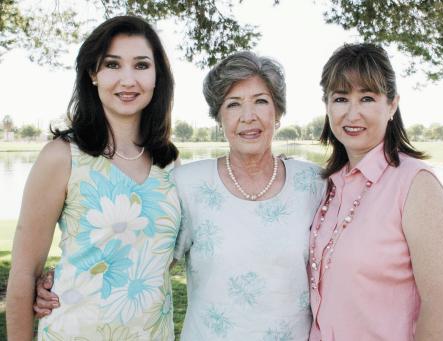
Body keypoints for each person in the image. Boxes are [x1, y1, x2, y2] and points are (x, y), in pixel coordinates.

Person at [35, 51, 327, 340]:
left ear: (277, 113)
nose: (248, 117)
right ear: (219, 117)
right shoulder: (187, 184)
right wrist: (62, 278)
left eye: (261, 101)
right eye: (233, 104)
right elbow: (140, 253)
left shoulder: (313, 182)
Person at [6, 16, 180, 340]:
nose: (128, 79)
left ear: (158, 76)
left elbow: (158, 257)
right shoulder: (62, 157)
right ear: (93, 74)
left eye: (141, 65)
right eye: (113, 64)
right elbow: (23, 275)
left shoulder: (171, 165)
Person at [308, 43, 443, 341]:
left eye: (367, 98)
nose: (352, 113)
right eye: (340, 98)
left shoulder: (416, 185)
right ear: (327, 106)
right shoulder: (330, 186)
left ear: (392, 105)